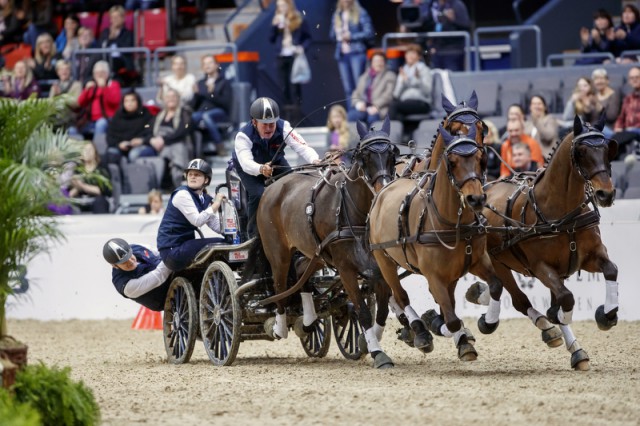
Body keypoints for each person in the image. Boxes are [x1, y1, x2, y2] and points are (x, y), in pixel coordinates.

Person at [232, 97, 320, 237]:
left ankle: (293, 227)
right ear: (254, 122)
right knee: (258, 195)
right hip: (249, 168)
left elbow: (302, 147)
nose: (269, 128)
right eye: (264, 124)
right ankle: (253, 235)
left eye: (272, 124)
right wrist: (261, 169)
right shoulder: (243, 136)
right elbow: (245, 162)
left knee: (294, 186)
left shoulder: (284, 127)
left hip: (275, 161)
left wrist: (315, 159)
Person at [157, 158, 226, 271]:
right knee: (223, 244)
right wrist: (216, 204)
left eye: (197, 174)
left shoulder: (203, 198)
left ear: (206, 180)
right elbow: (197, 221)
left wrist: (232, 232)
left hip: (184, 246)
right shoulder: (182, 195)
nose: (193, 177)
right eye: (190, 174)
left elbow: (215, 224)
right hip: (172, 250)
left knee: (228, 242)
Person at [103, 237, 173, 312]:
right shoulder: (126, 286)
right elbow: (159, 275)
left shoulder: (137, 247)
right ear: (114, 265)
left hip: (168, 270)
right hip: (164, 295)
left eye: (129, 256)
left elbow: (161, 252)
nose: (130, 262)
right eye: (124, 262)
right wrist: (174, 256)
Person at [329, 0, 374, 108]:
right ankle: (351, 115)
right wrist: (337, 32)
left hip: (357, 53)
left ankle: (361, 113)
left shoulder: (360, 12)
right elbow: (331, 36)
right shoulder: (337, 14)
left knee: (359, 86)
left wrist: (352, 36)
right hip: (342, 54)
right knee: (348, 88)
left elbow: (369, 32)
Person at [270, 0, 312, 112]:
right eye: (279, 6)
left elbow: (308, 37)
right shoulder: (277, 20)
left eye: (283, 5)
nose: (281, 8)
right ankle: (285, 111)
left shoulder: (298, 19)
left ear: (289, 5)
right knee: (283, 85)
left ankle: (297, 111)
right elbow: (271, 39)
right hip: (281, 54)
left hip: (294, 55)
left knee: (295, 85)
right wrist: (274, 27)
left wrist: (302, 47)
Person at [146, 88, 191, 189]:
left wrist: (164, 140)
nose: (171, 99)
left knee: (177, 149)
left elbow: (182, 131)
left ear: (178, 99)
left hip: (178, 142)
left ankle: (178, 178)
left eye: (173, 97)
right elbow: (147, 131)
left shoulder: (185, 112)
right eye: (168, 97)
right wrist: (152, 140)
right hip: (158, 146)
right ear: (164, 100)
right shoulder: (159, 116)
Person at [191, 55, 232, 156]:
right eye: (205, 64)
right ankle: (194, 148)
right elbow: (194, 105)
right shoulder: (200, 83)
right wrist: (196, 94)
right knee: (191, 118)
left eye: (210, 63)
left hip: (219, 112)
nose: (207, 66)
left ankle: (219, 145)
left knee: (206, 116)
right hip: (202, 112)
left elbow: (226, 103)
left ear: (216, 65)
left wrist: (211, 93)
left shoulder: (224, 82)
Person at [389, 43, 432, 138]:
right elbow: (396, 94)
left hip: (421, 102)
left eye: (413, 54)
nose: (410, 56)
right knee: (397, 113)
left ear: (419, 56)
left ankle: (389, 135)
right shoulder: (403, 70)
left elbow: (427, 91)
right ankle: (403, 138)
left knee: (394, 106)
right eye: (408, 53)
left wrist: (418, 79)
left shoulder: (424, 69)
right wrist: (402, 81)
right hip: (406, 103)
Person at [73, 60, 122, 143]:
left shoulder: (113, 84)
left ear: (107, 74)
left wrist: (104, 88)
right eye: (97, 73)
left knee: (101, 124)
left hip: (107, 119)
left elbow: (115, 101)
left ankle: (98, 150)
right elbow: (80, 103)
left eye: (102, 72)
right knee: (72, 130)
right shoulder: (91, 86)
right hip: (89, 119)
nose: (99, 75)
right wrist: (86, 90)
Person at [348, 51, 396, 125]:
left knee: (372, 118)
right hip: (363, 108)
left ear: (385, 62)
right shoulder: (364, 76)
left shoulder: (390, 75)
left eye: (380, 61)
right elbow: (356, 93)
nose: (378, 63)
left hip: (380, 108)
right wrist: (358, 104)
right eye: (376, 61)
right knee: (351, 116)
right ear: (372, 63)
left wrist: (375, 105)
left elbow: (388, 95)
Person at [106, 90, 154, 164]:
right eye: (126, 101)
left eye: (132, 100)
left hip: (142, 145)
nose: (129, 104)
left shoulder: (145, 115)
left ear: (138, 102)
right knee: (111, 153)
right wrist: (118, 144)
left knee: (134, 154)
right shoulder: (118, 116)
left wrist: (141, 140)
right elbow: (110, 136)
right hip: (120, 146)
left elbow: (151, 132)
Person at [423, 0, 471, 71]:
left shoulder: (457, 4)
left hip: (453, 50)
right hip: (436, 51)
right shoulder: (432, 5)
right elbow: (428, 24)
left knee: (452, 77)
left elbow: (466, 25)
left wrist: (454, 19)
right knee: (437, 76)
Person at [66, 141, 111, 214]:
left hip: (98, 200)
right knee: (69, 205)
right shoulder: (77, 170)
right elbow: (70, 194)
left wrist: (81, 186)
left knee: (100, 202)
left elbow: (100, 191)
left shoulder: (101, 169)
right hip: (80, 201)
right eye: (85, 150)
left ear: (95, 152)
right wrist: (77, 187)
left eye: (90, 150)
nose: (87, 152)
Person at [612, 66, 640, 159]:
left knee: (615, 140)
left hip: (636, 131)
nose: (634, 80)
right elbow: (621, 117)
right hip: (627, 132)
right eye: (632, 78)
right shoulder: (628, 98)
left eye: (637, 77)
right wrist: (618, 127)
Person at [99, 5, 134, 74]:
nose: (115, 19)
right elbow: (101, 47)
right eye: (112, 17)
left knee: (113, 61)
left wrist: (115, 39)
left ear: (123, 18)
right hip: (106, 59)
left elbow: (127, 50)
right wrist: (109, 39)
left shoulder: (128, 34)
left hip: (122, 61)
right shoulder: (105, 32)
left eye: (117, 17)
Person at [591, 68, 620, 137]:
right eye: (596, 79)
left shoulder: (613, 94)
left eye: (601, 78)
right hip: (593, 127)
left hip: (608, 128)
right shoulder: (593, 95)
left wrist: (599, 107)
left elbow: (611, 117)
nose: (599, 81)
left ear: (607, 81)